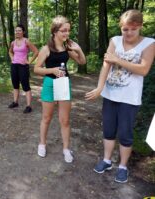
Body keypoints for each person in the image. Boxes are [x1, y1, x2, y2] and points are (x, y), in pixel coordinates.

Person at [85, 9, 155, 183]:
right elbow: (106, 66)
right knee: (108, 130)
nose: (129, 33)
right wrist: (100, 87)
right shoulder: (115, 41)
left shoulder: (149, 43)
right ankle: (107, 160)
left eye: (133, 29)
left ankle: (122, 167)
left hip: (130, 99)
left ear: (140, 27)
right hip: (110, 95)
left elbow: (144, 69)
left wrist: (118, 60)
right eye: (125, 29)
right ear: (121, 28)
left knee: (125, 133)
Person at [34, 16, 86, 163]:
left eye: (68, 31)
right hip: (50, 84)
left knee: (65, 120)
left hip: (64, 84)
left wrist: (79, 49)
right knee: (46, 118)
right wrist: (53, 70)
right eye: (64, 30)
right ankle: (42, 144)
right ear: (55, 31)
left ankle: (66, 149)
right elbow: (37, 69)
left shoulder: (67, 48)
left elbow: (82, 61)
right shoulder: (46, 49)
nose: (67, 33)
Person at [8, 24, 39, 113]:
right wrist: (12, 58)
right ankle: (15, 102)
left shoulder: (26, 41)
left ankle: (28, 106)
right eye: (16, 30)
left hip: (23, 66)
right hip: (14, 65)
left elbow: (36, 51)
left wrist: (29, 61)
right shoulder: (13, 42)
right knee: (15, 85)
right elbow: (10, 51)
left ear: (23, 32)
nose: (17, 32)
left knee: (25, 86)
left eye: (19, 30)